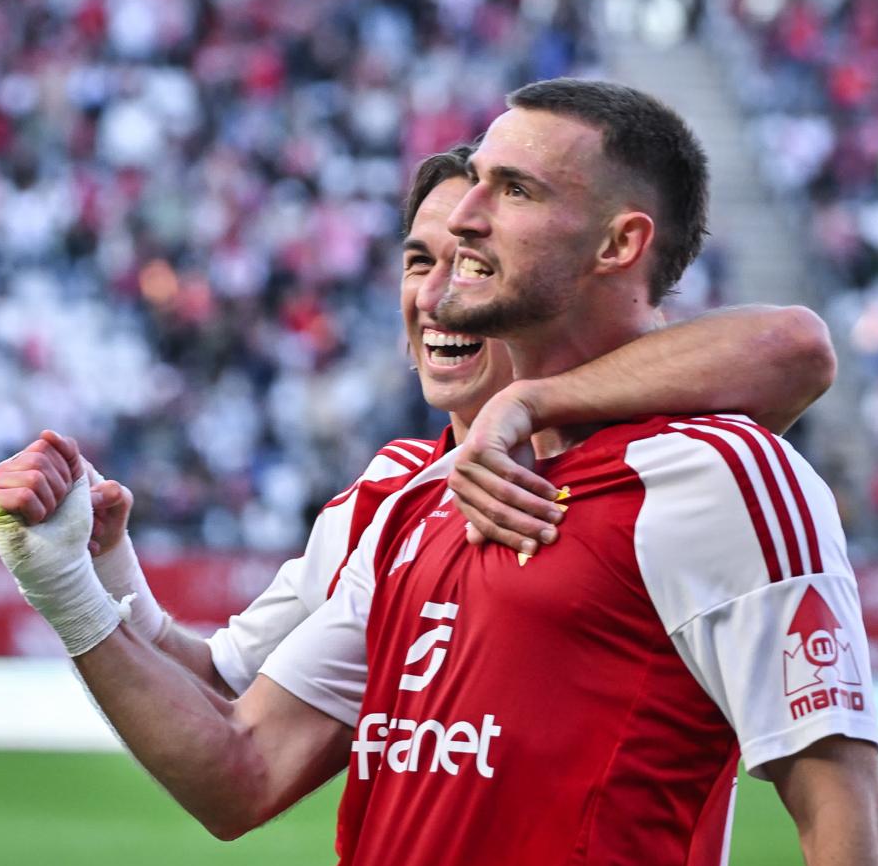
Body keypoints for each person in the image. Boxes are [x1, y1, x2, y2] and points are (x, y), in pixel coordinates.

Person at [0, 80, 878, 866]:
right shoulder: (409, 498)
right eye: (421, 253)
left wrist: (533, 404)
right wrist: (85, 587)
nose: (454, 248)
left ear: (618, 244)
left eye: (510, 194)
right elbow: (241, 759)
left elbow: (840, 801)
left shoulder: (712, 474)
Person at [75, 144, 836, 698]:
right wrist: (100, 565)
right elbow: (219, 689)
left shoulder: (649, 461)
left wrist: (530, 402)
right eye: (417, 262)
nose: (437, 296)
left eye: (473, 264)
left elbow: (795, 347)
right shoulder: (382, 496)